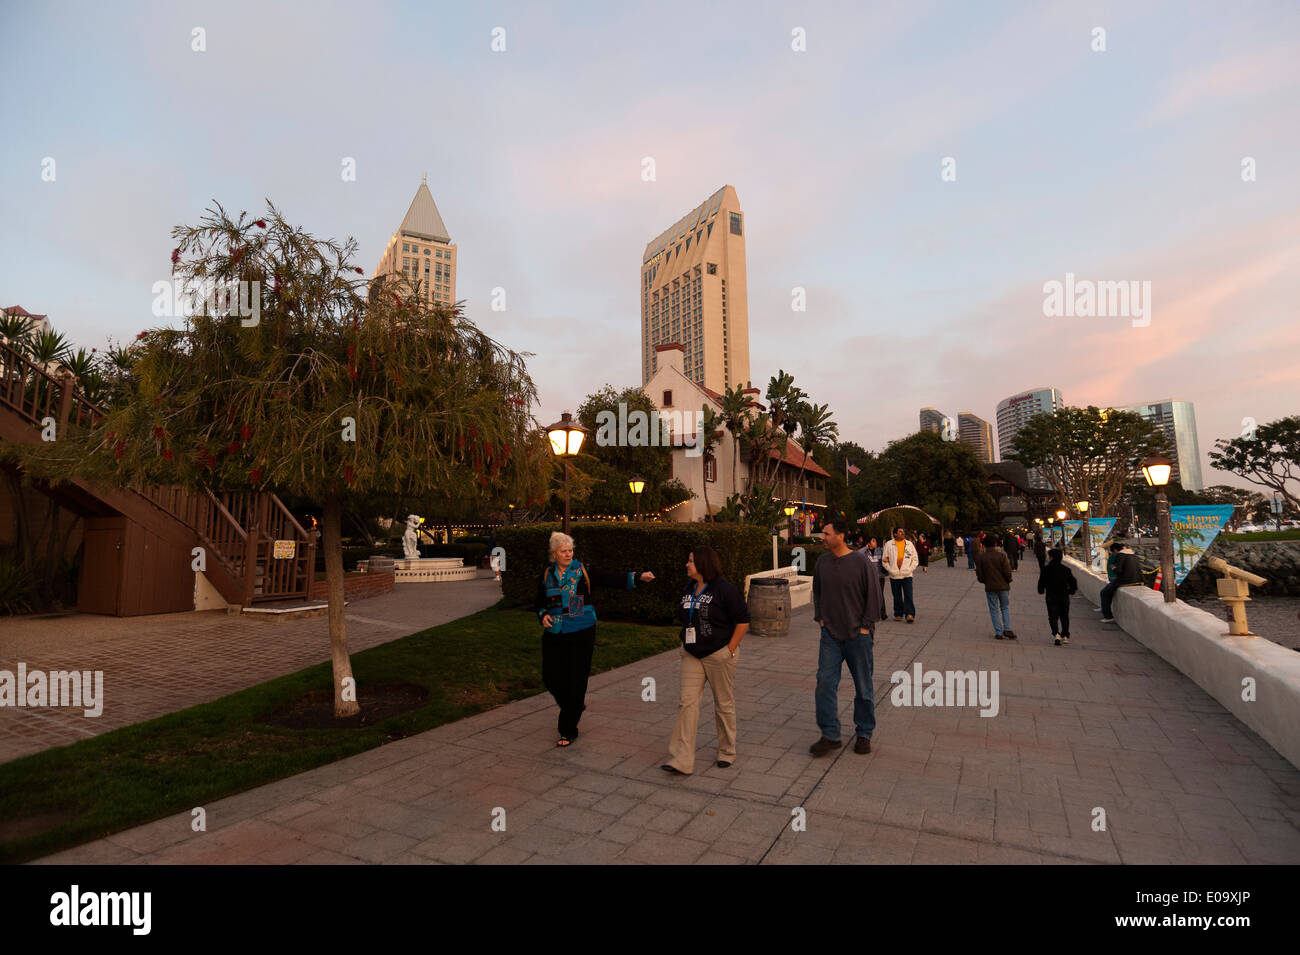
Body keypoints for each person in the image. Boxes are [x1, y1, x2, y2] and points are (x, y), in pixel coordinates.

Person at [534, 532, 654, 746]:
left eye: (570, 550)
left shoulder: (583, 570)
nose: (568, 554)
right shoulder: (547, 575)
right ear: (554, 554)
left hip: (582, 630)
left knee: (576, 679)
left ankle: (568, 729)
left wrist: (638, 577)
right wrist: (543, 615)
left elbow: (611, 578)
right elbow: (538, 602)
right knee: (551, 677)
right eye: (563, 551)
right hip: (555, 632)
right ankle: (574, 706)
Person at [662, 546, 749, 775]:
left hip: (719, 654)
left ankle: (727, 751)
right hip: (692, 654)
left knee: (723, 704)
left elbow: (743, 620)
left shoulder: (724, 589)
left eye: (690, 561)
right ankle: (682, 758)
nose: (686, 564)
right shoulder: (688, 588)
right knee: (687, 702)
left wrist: (729, 650)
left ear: (702, 564)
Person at [810, 520, 883, 756]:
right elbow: (818, 592)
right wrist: (820, 618)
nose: (823, 537)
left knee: (863, 687)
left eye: (827, 533)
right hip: (830, 634)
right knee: (824, 683)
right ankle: (830, 734)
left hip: (858, 636)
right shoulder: (822, 563)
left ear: (840, 536)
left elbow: (875, 597)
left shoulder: (861, 562)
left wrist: (865, 627)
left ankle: (864, 733)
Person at [975, 534, 1015, 639]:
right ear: (996, 543)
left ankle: (998, 632)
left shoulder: (981, 557)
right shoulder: (1002, 556)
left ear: (984, 544)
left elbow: (979, 574)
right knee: (1005, 607)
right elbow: (1007, 571)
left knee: (994, 609)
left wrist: (984, 581)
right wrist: (1008, 580)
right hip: (1003, 586)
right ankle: (1007, 628)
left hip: (990, 587)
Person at [1037, 547, 1077, 645]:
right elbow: (1073, 582)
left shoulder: (1046, 569)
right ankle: (1066, 635)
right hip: (1064, 596)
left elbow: (1041, 581)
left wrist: (1041, 590)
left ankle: (1056, 634)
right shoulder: (1066, 569)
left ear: (1051, 557)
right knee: (1064, 616)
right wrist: (1071, 591)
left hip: (1051, 596)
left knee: (1052, 616)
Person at [881, 526, 919, 623]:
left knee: (908, 595)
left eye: (903, 531)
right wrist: (891, 570)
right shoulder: (889, 544)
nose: (902, 533)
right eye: (900, 532)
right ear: (895, 534)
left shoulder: (909, 544)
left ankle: (909, 614)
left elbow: (915, 560)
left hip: (907, 575)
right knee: (897, 595)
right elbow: (884, 560)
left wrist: (910, 570)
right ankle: (898, 614)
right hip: (894, 575)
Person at [1100, 542, 1143, 623]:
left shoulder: (1120, 555)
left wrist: (1113, 568)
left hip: (1126, 580)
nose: (1114, 554)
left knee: (1104, 593)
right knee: (1109, 590)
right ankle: (1105, 609)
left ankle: (1108, 616)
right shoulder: (1134, 555)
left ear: (1115, 550)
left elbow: (1119, 571)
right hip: (1138, 579)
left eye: (1113, 552)